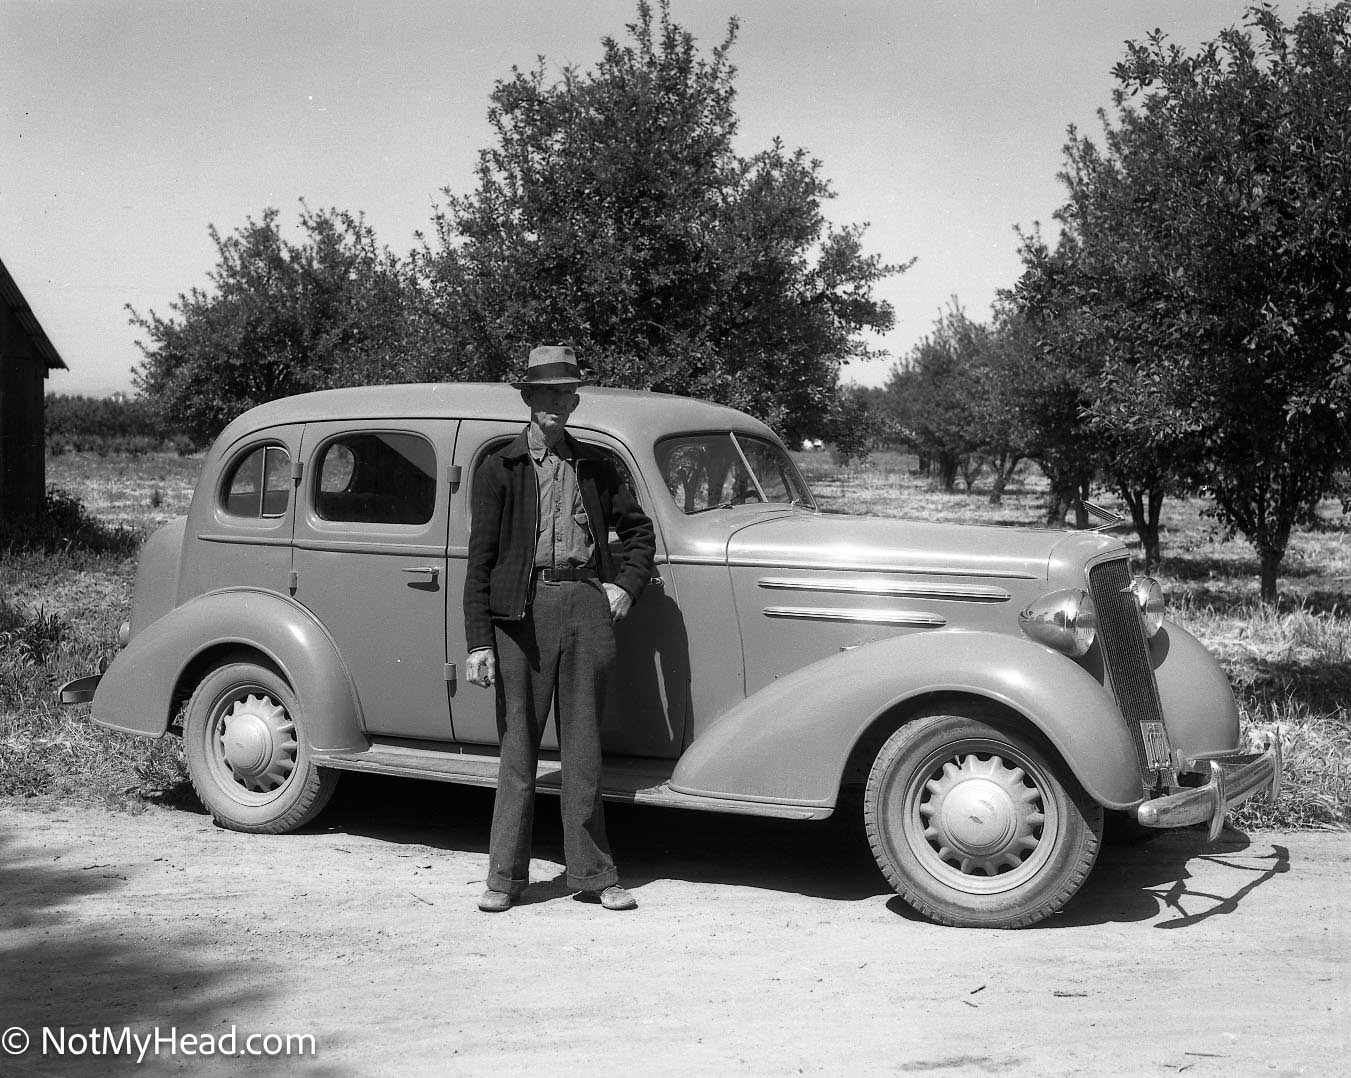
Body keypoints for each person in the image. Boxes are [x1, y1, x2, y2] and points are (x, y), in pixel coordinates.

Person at [463, 345, 656, 912]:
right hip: (520, 616)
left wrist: (625, 586)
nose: (555, 403)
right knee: (518, 749)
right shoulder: (500, 466)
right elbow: (480, 561)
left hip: (585, 605)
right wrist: (479, 642)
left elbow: (639, 535)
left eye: (564, 393)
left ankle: (594, 875)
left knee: (584, 750)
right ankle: (505, 879)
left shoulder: (598, 464)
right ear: (529, 399)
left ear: (574, 400)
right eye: (545, 393)